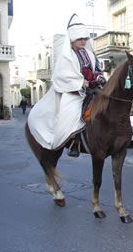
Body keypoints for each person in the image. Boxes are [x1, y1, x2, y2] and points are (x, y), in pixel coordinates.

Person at [28, 14, 105, 157]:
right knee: (71, 114)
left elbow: (98, 70)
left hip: (93, 90)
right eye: (79, 39)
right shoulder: (66, 56)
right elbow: (62, 75)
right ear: (72, 40)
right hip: (75, 93)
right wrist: (81, 82)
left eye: (85, 39)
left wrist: (99, 78)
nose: (83, 41)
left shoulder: (90, 54)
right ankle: (73, 143)